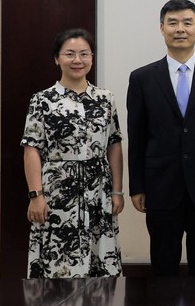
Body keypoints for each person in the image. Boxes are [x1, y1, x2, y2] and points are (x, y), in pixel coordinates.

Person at [126, 0, 195, 276]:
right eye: (173, 23)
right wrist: (137, 186)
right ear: (161, 28)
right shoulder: (141, 78)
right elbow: (136, 137)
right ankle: (163, 305)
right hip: (160, 186)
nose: (180, 29)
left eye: (187, 23)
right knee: (163, 264)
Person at [22, 28, 124, 278]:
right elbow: (32, 148)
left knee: (100, 264)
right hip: (56, 192)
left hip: (98, 192)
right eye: (69, 54)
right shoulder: (42, 100)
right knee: (57, 263)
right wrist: (36, 195)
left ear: (91, 58)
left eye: (84, 54)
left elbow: (114, 144)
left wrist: (117, 191)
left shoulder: (105, 99)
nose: (77, 60)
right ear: (57, 59)